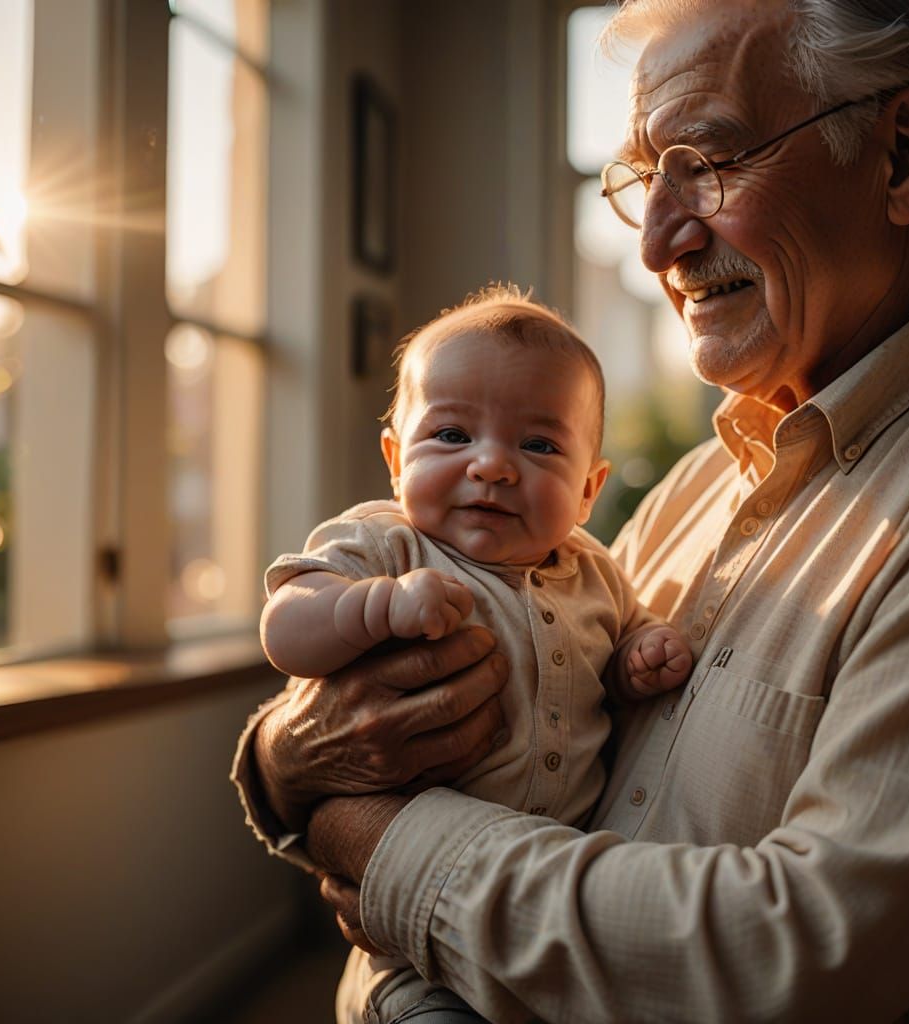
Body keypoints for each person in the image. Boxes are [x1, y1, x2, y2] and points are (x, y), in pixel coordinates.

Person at [232, 0, 909, 1019]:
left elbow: (795, 957)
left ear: (902, 155)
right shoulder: (695, 488)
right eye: (643, 178)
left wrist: (378, 837)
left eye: (708, 161)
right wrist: (286, 758)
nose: (657, 244)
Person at [258, 287, 692, 1023]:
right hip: (414, 942)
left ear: (589, 490)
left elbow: (618, 647)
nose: (492, 465)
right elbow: (286, 626)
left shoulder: (594, 570)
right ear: (395, 458)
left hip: (546, 914)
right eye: (452, 435)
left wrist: (639, 655)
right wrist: (375, 607)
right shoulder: (387, 544)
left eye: (539, 445)